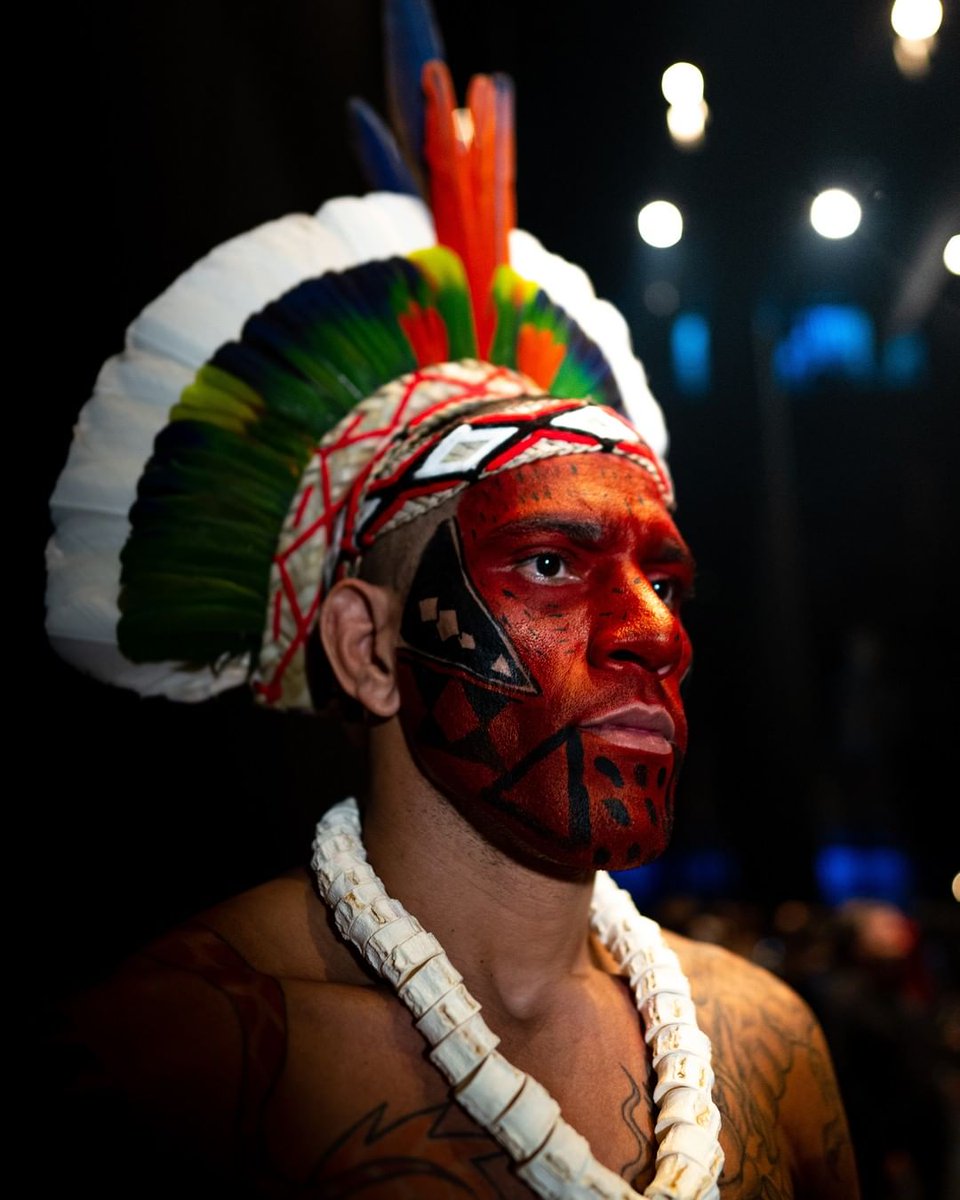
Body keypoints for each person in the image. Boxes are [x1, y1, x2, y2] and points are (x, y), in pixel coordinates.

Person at [43, 5, 860, 1197]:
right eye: (547, 562)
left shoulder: (768, 1045)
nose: (655, 633)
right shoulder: (185, 1063)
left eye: (666, 577)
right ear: (368, 648)